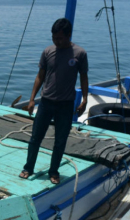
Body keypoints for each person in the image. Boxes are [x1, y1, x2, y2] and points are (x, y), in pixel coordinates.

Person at [19, 18, 88, 184]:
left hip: (65, 104)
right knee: (35, 137)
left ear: (69, 35)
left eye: (60, 38)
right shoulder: (47, 51)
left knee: (60, 140)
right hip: (46, 102)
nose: (57, 41)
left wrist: (85, 99)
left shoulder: (80, 54)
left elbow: (84, 77)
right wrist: (31, 100)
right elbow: (40, 77)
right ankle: (28, 167)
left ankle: (54, 171)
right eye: (54, 38)